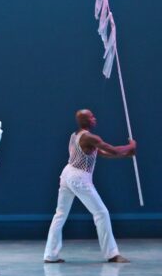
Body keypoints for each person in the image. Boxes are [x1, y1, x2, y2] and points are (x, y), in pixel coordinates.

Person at [43, 109, 137, 263]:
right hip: (79, 177)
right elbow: (112, 149)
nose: (95, 118)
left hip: (67, 174)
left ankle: (50, 255)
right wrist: (131, 146)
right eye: (91, 117)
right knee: (101, 213)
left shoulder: (75, 136)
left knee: (60, 215)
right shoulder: (90, 137)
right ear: (85, 121)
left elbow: (103, 153)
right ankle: (112, 254)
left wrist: (127, 153)